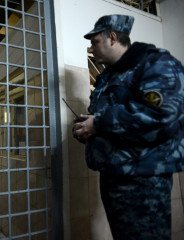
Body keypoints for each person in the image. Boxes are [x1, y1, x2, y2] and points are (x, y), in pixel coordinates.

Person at [73, 14, 184, 240]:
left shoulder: (154, 63)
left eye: (95, 42)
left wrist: (99, 122)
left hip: (142, 179)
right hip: (114, 174)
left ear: (112, 37)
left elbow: (162, 113)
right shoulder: (107, 76)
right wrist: (88, 128)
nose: (91, 48)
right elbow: (107, 120)